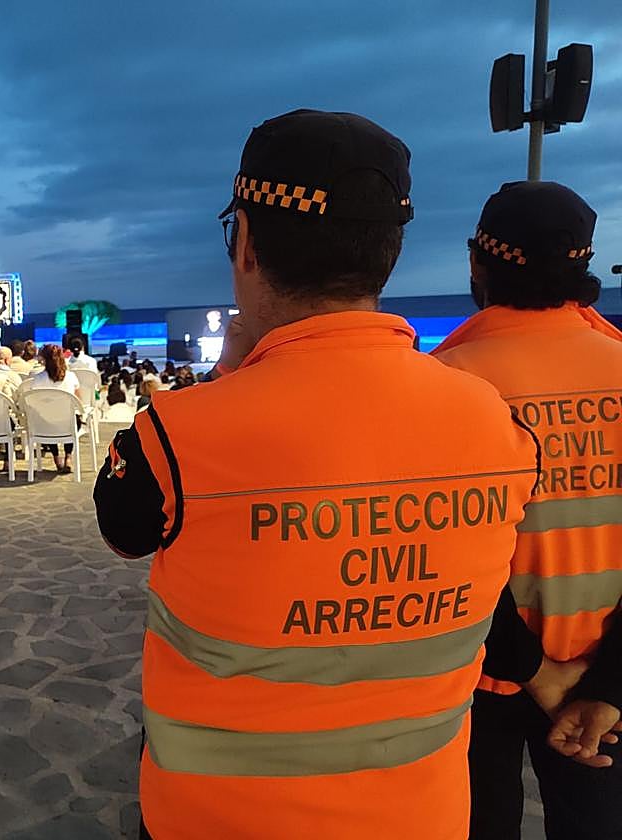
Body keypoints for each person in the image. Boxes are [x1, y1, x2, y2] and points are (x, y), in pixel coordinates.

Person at [93, 109, 541, 840]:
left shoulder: (177, 434)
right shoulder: (501, 428)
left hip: (214, 819)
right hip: (418, 816)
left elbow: (122, 529)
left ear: (245, 244)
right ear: (387, 256)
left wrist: (228, 371)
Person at [431, 181, 622, 840]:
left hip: (478, 675)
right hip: (602, 683)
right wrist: (608, 683)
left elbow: (442, 557)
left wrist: (536, 673)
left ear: (476, 264)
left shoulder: (449, 381)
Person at [29, 343, 81, 474]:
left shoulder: (38, 380)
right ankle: (68, 456)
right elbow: (78, 401)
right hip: (68, 424)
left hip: (45, 425)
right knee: (71, 418)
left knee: (47, 416)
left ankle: (56, 457)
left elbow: (33, 402)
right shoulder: (71, 377)